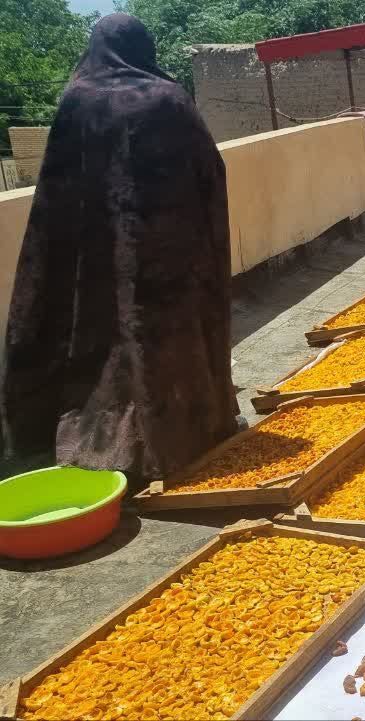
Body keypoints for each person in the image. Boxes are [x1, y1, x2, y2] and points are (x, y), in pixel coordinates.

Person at [0, 14, 238, 483]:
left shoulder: (77, 99)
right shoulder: (170, 98)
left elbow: (57, 190)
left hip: (97, 257)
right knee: (168, 347)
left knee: (104, 344)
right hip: (169, 261)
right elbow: (210, 173)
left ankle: (104, 438)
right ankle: (178, 437)